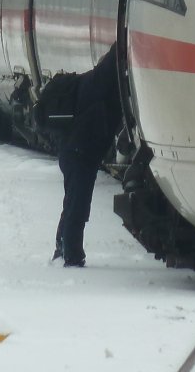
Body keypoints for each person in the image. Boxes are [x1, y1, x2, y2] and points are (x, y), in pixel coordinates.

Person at [52, 42, 122, 267]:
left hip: (74, 152)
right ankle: (71, 254)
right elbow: (111, 65)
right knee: (78, 205)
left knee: (72, 202)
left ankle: (62, 247)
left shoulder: (90, 83)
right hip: (80, 154)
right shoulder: (99, 84)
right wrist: (125, 40)